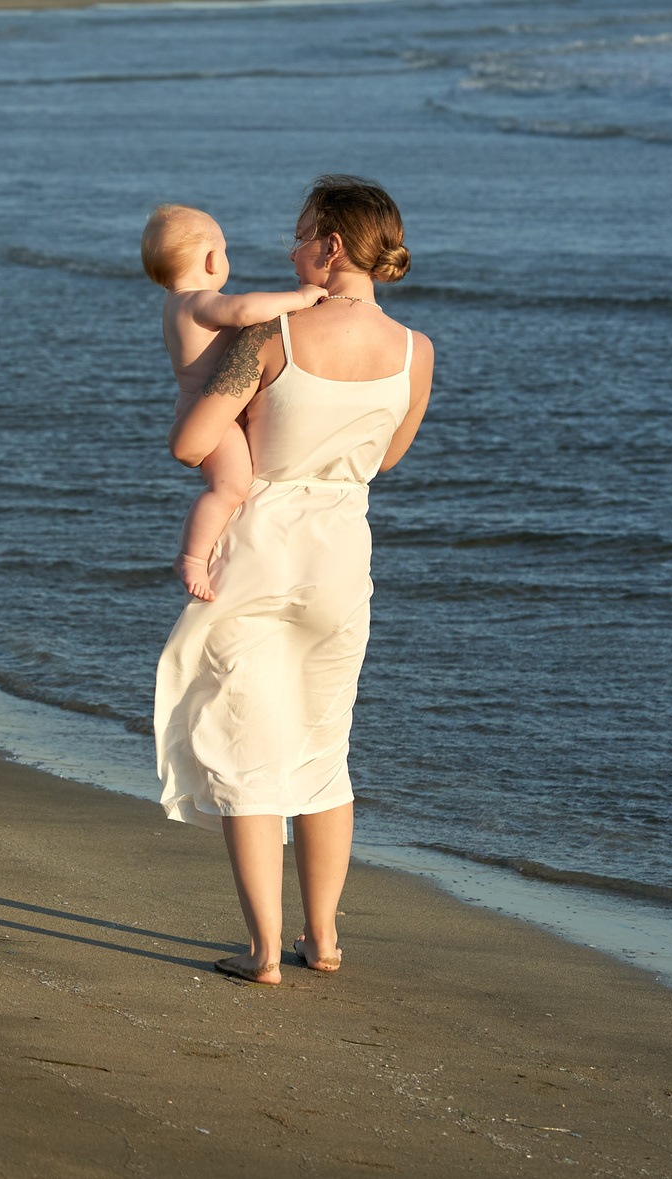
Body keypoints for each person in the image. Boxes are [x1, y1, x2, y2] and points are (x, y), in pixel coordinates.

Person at [153, 176, 435, 986]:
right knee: (323, 750)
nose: (290, 249)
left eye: (303, 232)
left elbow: (193, 442)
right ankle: (326, 936)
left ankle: (264, 951)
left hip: (260, 552)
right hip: (342, 558)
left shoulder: (271, 331)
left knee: (246, 751)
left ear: (332, 246)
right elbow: (386, 457)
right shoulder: (415, 351)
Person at [139, 204, 329, 602]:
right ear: (212, 260)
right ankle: (191, 557)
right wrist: (299, 297)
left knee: (236, 484)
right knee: (230, 486)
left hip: (207, 408)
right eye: (225, 251)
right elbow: (243, 310)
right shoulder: (197, 302)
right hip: (211, 418)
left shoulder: (176, 303)